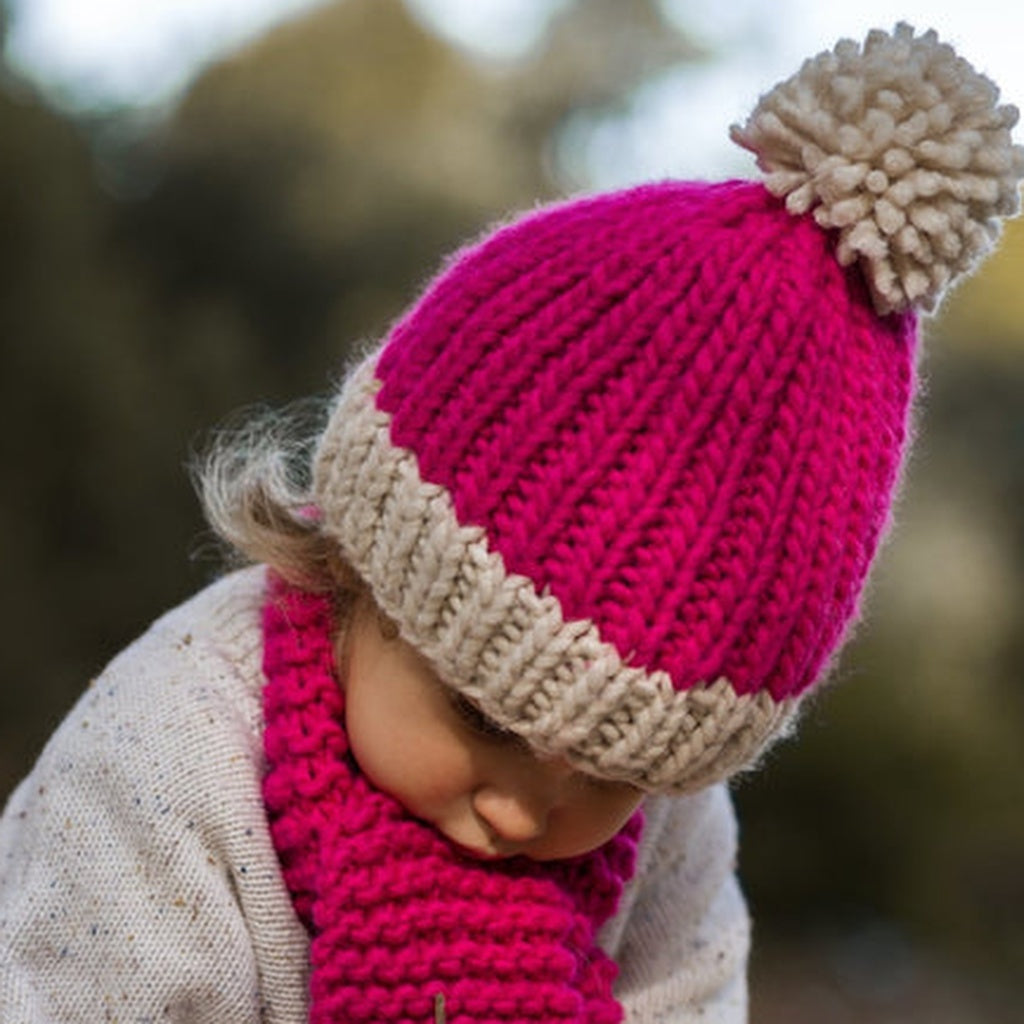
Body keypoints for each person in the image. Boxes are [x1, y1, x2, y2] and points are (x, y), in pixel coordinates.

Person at [2, 22, 1021, 1024]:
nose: (523, 811)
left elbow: (689, 995)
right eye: (486, 720)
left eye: (616, 775)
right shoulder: (170, 761)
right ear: (370, 564)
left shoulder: (668, 827)